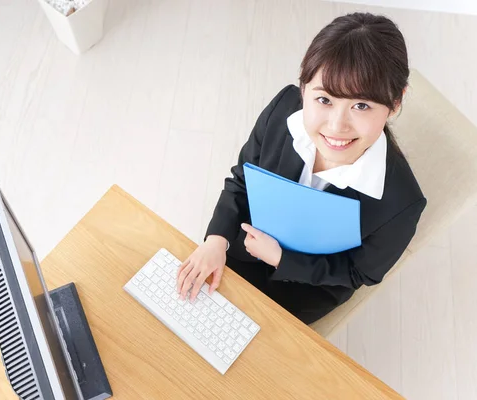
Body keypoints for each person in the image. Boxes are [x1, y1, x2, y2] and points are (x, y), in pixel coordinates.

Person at [176, 12, 427, 325]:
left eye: (361, 106)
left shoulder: (401, 205)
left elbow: (358, 271)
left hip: (304, 289)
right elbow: (242, 180)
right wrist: (216, 240)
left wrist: (282, 259)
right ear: (303, 87)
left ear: (396, 102)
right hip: (243, 247)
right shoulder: (283, 110)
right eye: (323, 99)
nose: (336, 127)